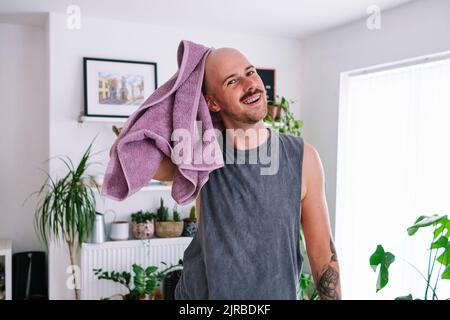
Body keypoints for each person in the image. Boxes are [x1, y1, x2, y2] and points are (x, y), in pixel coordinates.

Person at [114, 47, 341, 300]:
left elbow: (322, 253)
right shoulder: (199, 155)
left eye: (250, 72)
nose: (250, 85)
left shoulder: (303, 158)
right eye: (232, 81)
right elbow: (126, 152)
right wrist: (184, 94)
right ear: (211, 102)